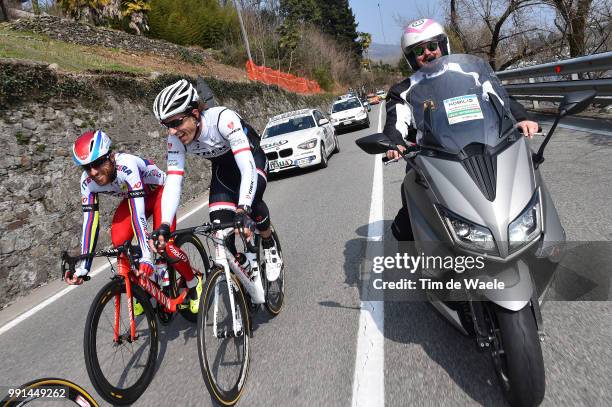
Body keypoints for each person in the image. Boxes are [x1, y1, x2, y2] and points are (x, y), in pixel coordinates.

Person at [383, 18, 539, 241]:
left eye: (432, 46)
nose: (427, 53)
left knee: (523, 180)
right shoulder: (404, 90)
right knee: (406, 222)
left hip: (486, 145)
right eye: (419, 50)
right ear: (410, 57)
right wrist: (394, 143)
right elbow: (395, 122)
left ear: (443, 45)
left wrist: (523, 118)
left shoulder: (471, 71)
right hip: (432, 156)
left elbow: (500, 98)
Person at [150, 79, 283, 296]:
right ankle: (241, 267)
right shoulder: (176, 139)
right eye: (166, 125)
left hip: (251, 161)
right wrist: (164, 224)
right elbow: (173, 180)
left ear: (194, 113)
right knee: (219, 228)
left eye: (176, 123)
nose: (172, 131)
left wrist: (243, 208)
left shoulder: (222, 119)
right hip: (224, 171)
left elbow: (247, 167)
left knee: (252, 202)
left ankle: (268, 243)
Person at [68, 130, 201, 314]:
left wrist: (147, 256)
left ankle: (193, 282)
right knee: (119, 242)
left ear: (110, 156)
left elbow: (138, 215)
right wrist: (83, 267)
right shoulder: (87, 182)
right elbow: (89, 223)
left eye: (97, 163)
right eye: (86, 167)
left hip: (159, 194)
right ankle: (144, 286)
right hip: (134, 197)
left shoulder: (127, 165)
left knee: (163, 245)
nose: (93, 172)